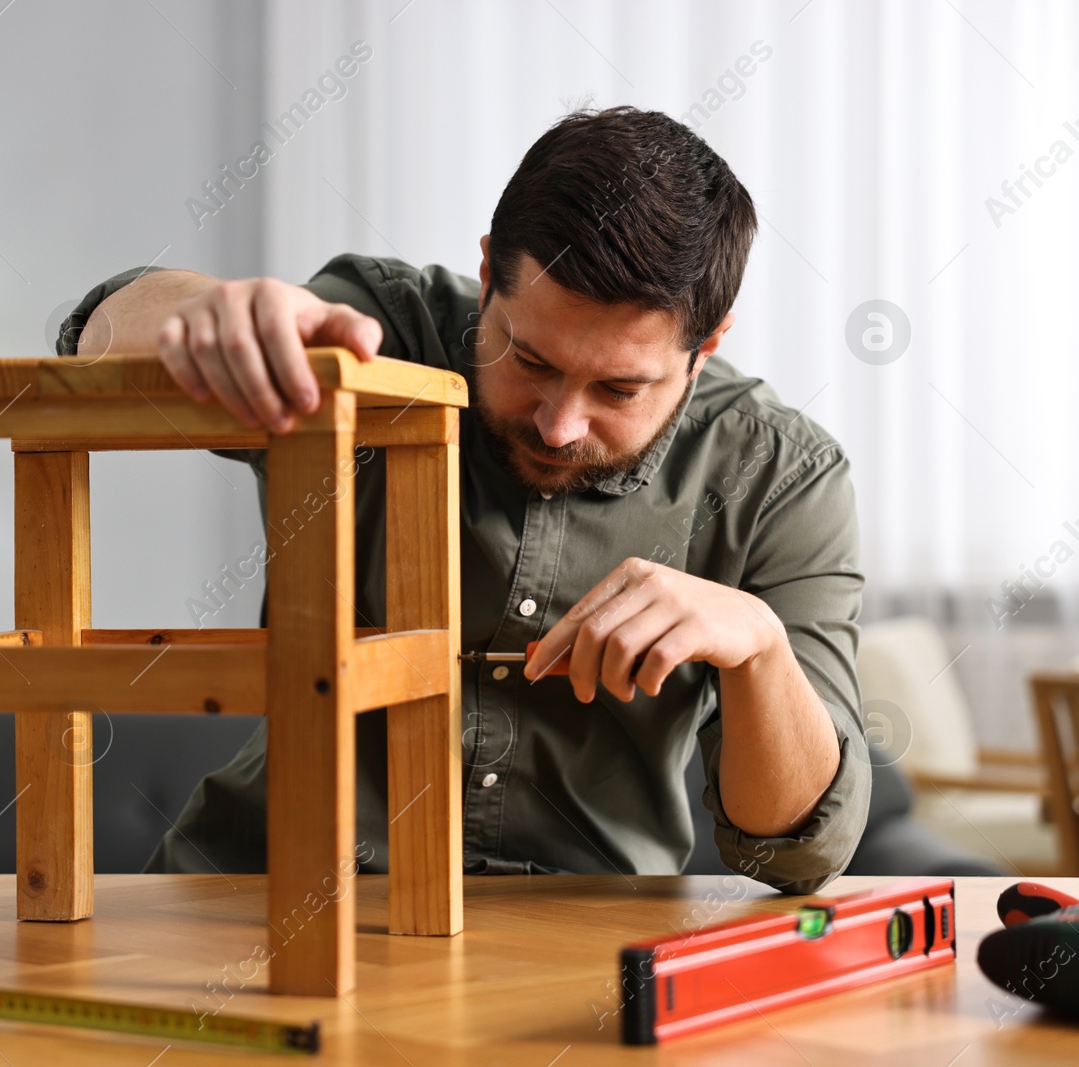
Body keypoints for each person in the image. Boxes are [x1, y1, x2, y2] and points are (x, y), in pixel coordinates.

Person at [57, 106, 870, 893]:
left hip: (564, 946)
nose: (558, 425)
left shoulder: (782, 479)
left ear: (707, 346)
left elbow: (798, 856)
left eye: (619, 388)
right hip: (256, 892)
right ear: (487, 277)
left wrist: (760, 648)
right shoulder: (381, 327)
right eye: (531, 358)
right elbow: (99, 339)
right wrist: (207, 317)